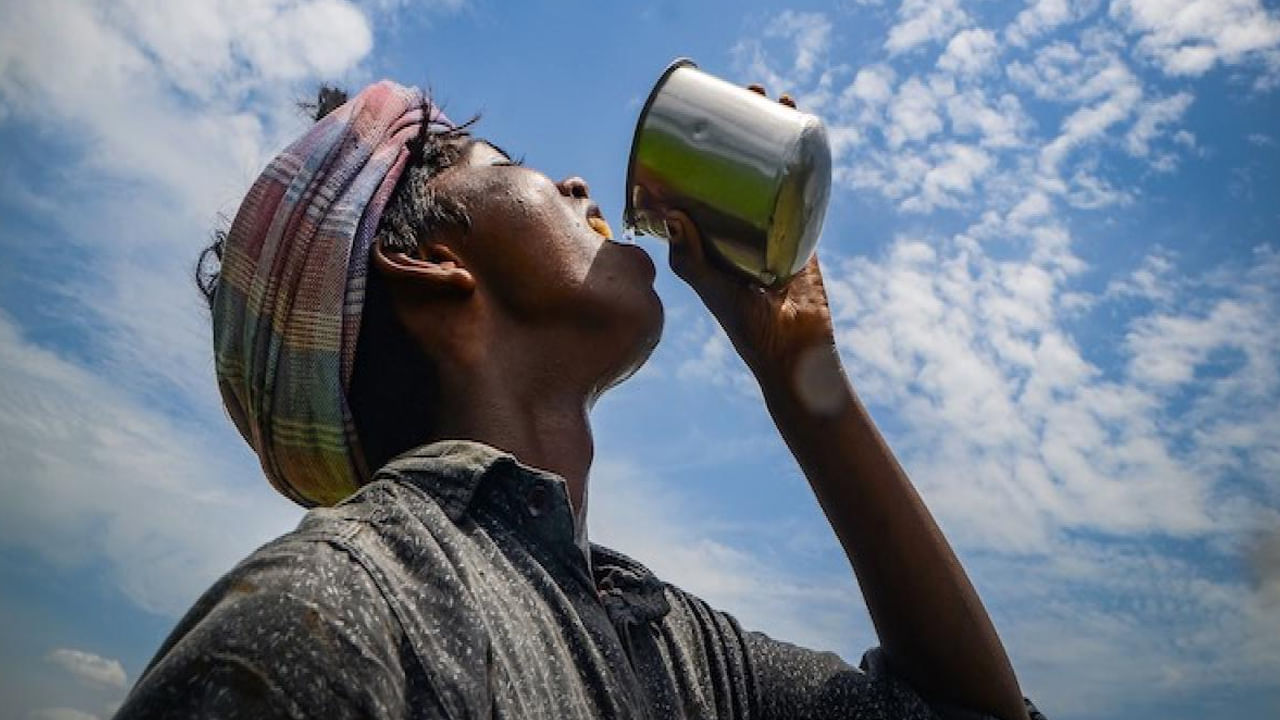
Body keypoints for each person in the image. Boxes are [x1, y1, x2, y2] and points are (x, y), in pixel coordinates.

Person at [115, 80, 1044, 720]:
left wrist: (804, 377)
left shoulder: (665, 636)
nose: (576, 183)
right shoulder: (331, 617)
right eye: (501, 160)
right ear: (432, 261)